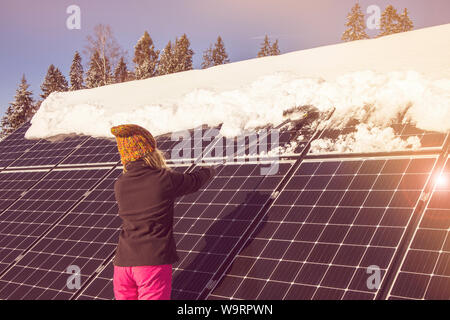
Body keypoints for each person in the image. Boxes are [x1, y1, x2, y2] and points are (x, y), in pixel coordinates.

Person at [110, 124, 215, 300]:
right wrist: (208, 171)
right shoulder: (163, 179)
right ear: (150, 151)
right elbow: (193, 181)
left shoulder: (120, 183)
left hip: (122, 264)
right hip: (151, 262)